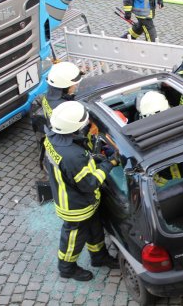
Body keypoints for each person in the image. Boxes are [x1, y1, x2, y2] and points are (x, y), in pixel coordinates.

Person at [44, 101, 120, 281]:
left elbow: (75, 168)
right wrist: (110, 164)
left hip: (79, 200)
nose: (86, 125)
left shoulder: (54, 137)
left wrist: (93, 159)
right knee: (73, 238)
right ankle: (67, 268)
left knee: (95, 229)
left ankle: (99, 257)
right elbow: (89, 183)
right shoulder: (72, 155)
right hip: (75, 206)